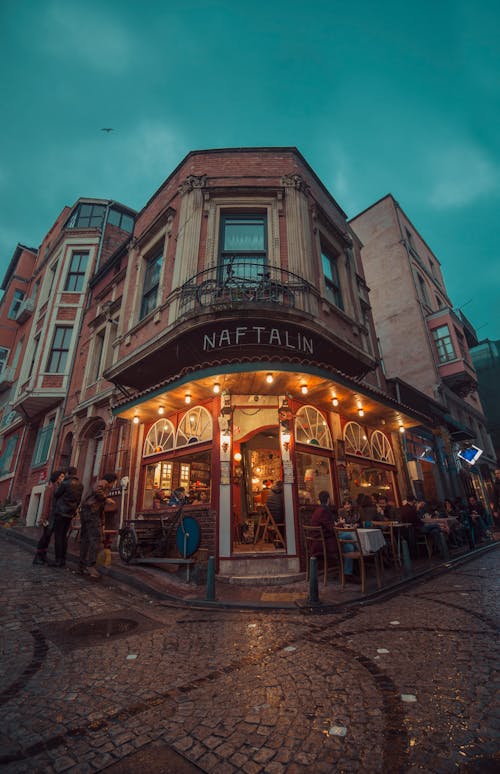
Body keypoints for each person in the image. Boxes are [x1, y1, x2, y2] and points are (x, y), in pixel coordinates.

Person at [79, 473, 117, 578]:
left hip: (87, 512)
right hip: (91, 513)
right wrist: (106, 499)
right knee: (96, 538)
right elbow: (98, 491)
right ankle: (90, 565)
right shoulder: (103, 483)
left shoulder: (99, 483)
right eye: (114, 482)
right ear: (112, 480)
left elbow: (99, 506)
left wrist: (103, 521)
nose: (114, 484)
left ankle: (82, 565)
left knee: (85, 539)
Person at [51, 467, 84, 568]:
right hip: (70, 513)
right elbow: (78, 500)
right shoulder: (80, 485)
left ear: (68, 474)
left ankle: (58, 560)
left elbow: (56, 494)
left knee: (58, 536)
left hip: (61, 512)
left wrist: (57, 486)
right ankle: (63, 560)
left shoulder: (65, 484)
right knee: (64, 536)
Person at [32, 470, 65, 565]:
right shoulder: (51, 488)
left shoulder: (58, 488)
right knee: (45, 536)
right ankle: (37, 557)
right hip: (49, 516)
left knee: (48, 537)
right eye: (61, 476)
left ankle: (43, 556)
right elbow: (46, 504)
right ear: (57, 477)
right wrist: (43, 517)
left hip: (54, 516)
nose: (63, 478)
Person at [400, 494, 444, 558]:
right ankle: (441, 550)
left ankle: (439, 551)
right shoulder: (410, 509)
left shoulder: (405, 508)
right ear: (414, 500)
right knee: (437, 525)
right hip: (418, 529)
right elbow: (416, 520)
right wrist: (418, 509)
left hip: (416, 528)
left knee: (435, 531)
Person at [310, 490, 337, 559]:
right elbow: (332, 529)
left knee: (349, 546)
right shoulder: (323, 511)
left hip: (317, 542)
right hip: (324, 543)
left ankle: (349, 568)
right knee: (348, 536)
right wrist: (341, 524)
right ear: (328, 499)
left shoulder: (317, 510)